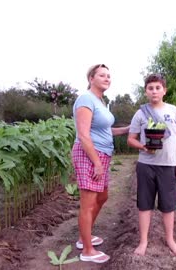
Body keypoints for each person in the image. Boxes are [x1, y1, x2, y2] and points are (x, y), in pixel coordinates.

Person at [72, 64, 129, 263]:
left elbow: (105, 130)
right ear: (91, 78)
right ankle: (87, 250)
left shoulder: (100, 101)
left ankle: (83, 237)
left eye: (109, 76)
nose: (107, 78)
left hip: (102, 154)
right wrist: (96, 162)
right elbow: (84, 135)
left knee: (102, 197)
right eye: (102, 75)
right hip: (89, 154)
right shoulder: (86, 99)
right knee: (88, 203)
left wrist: (127, 129)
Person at [127, 74, 176, 257]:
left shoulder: (174, 111)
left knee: (168, 205)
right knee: (144, 204)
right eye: (150, 88)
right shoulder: (140, 113)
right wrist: (143, 146)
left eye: (157, 88)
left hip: (168, 165)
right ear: (146, 91)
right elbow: (131, 139)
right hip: (146, 165)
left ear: (164, 91)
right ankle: (143, 241)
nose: (154, 91)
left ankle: (170, 239)